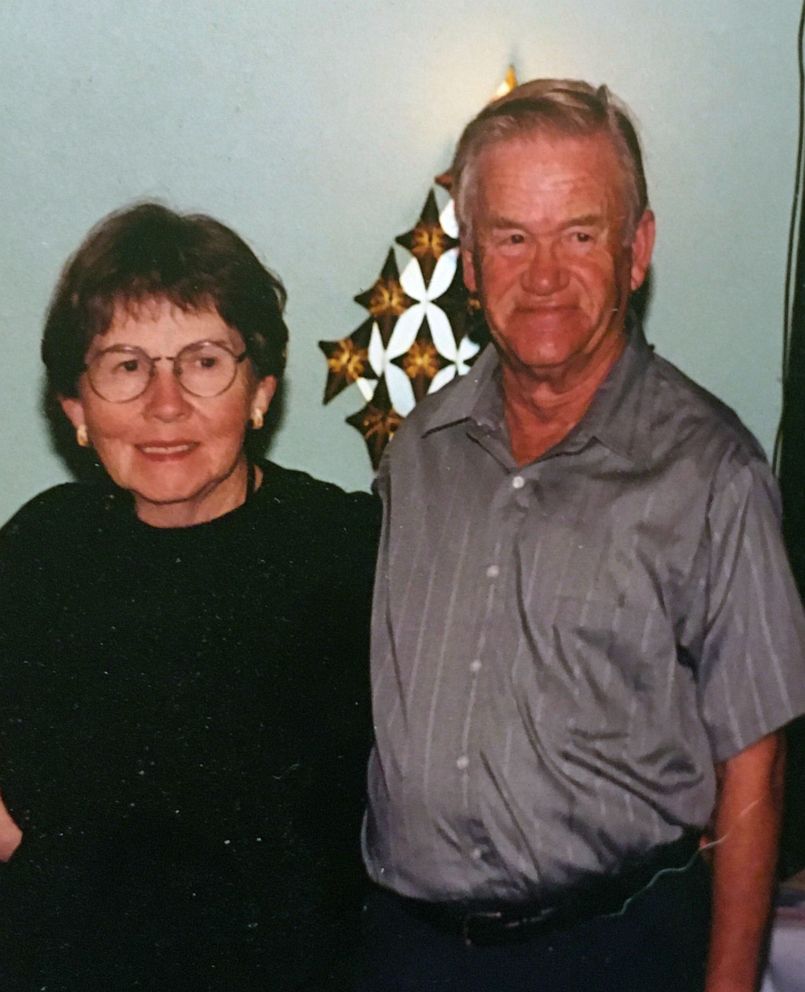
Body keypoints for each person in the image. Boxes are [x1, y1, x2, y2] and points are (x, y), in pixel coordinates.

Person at [360, 79, 805, 992]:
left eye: (581, 233)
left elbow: (753, 762)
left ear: (636, 249)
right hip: (409, 952)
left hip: (613, 953)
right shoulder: (419, 452)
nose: (545, 274)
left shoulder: (710, 472)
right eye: (512, 237)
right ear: (470, 262)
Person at [0, 202, 379, 990]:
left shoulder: (348, 550)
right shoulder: (40, 548)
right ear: (76, 409)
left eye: (203, 362)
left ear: (261, 391)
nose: (164, 404)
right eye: (126, 365)